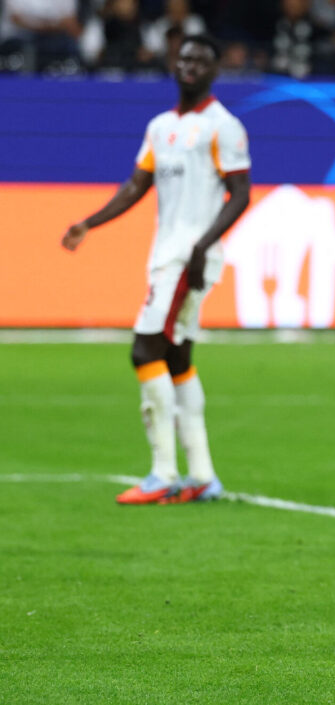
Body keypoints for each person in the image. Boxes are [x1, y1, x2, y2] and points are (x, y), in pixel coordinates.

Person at [61, 34, 251, 505]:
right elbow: (135, 185)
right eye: (184, 58)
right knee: (177, 358)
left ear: (214, 70)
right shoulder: (160, 126)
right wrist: (89, 223)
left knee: (145, 350)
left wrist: (204, 244)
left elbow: (242, 193)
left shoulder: (223, 127)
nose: (189, 66)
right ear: (174, 64)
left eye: (200, 60)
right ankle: (203, 476)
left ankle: (164, 472)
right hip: (167, 255)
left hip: (188, 259)